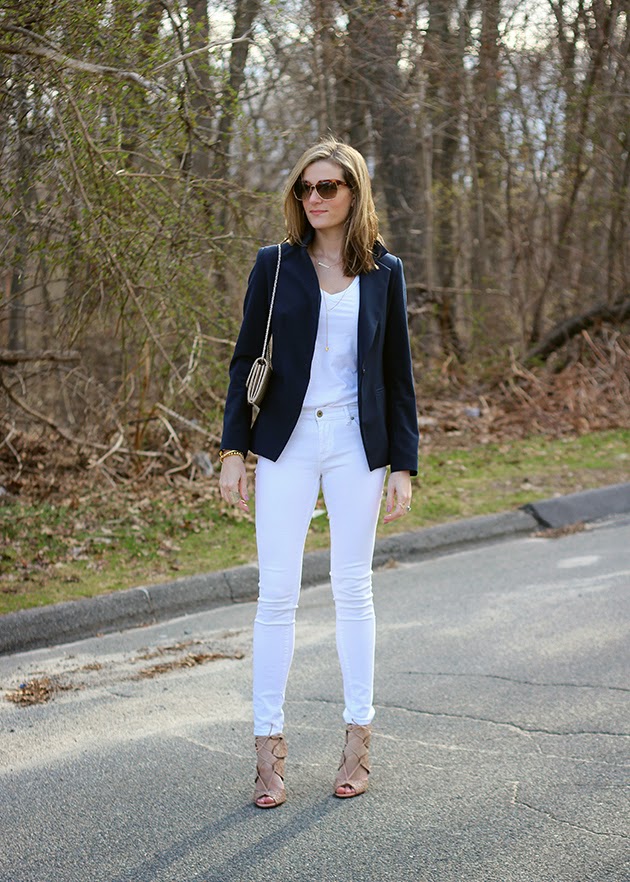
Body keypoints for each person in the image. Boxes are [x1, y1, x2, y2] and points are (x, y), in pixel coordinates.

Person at [219, 137, 419, 808]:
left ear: (354, 193)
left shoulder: (385, 271)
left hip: (358, 445)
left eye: (328, 187)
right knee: (276, 594)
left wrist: (403, 464)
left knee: (352, 589)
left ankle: (358, 742)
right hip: (288, 442)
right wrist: (233, 451)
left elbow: (398, 374)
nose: (314, 197)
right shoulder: (275, 264)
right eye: (305, 187)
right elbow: (244, 359)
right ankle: (267, 752)